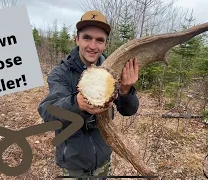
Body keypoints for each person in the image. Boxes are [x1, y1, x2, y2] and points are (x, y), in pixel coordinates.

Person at [37, 10, 140, 179]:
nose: (93, 46)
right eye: (87, 38)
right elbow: (48, 112)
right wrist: (77, 104)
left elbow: (129, 111)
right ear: (77, 39)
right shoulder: (61, 74)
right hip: (74, 164)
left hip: (103, 160)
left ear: (106, 44)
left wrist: (125, 91)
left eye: (99, 40)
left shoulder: (113, 72)